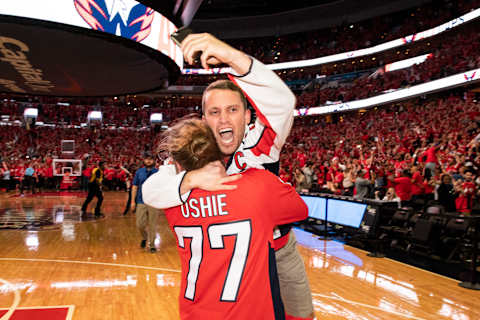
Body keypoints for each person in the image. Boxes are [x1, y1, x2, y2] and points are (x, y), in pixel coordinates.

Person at [143, 32, 315, 320]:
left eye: (233, 110)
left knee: (301, 315)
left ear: (248, 117)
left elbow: (283, 102)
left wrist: (231, 56)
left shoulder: (262, 141)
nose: (223, 119)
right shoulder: (190, 156)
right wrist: (190, 179)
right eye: (214, 112)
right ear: (204, 120)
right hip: (228, 262)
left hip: (277, 250)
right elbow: (151, 190)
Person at [161, 118, 308, 319]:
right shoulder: (259, 186)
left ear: (177, 163)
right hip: (248, 311)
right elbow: (300, 210)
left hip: (195, 312)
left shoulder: (170, 201)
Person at [131, 152, 161, 253]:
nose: (148, 161)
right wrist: (132, 202)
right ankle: (145, 237)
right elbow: (135, 186)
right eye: (147, 159)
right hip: (141, 201)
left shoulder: (158, 172)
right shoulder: (139, 172)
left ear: (154, 161)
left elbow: (161, 188)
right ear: (144, 160)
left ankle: (152, 245)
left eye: (151, 159)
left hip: (153, 202)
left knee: (152, 224)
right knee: (140, 224)